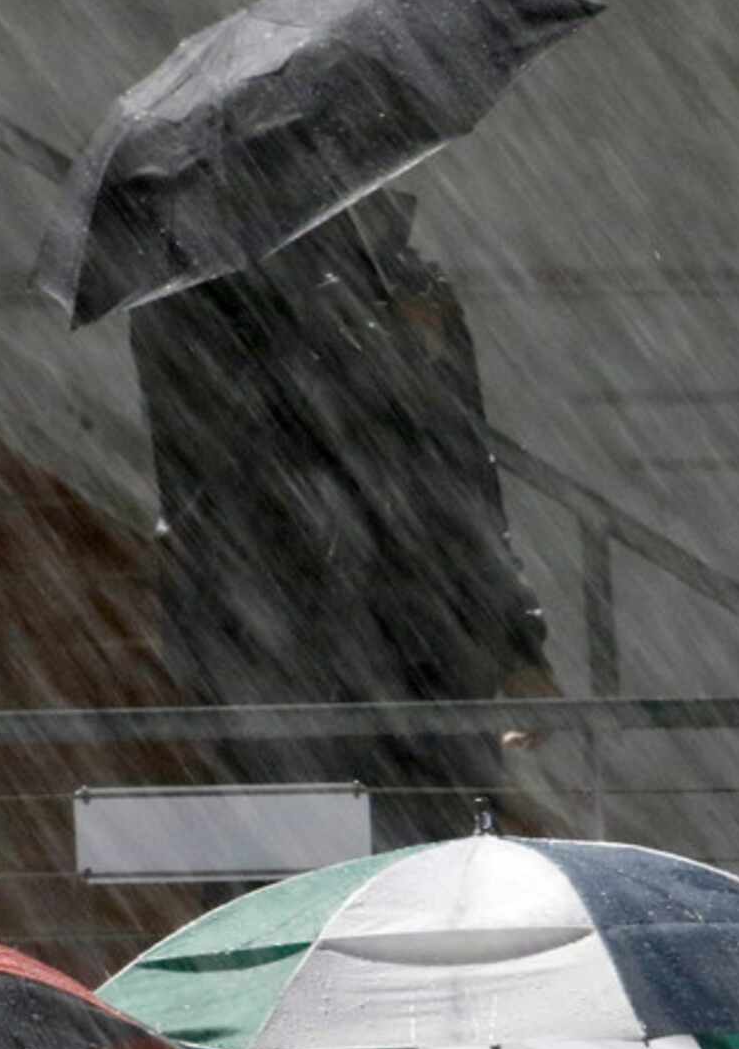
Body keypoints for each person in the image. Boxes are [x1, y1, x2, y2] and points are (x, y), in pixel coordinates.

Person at [130, 193, 562, 846]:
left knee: (436, 878)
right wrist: (361, 347)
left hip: (421, 657)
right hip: (281, 655)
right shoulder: (196, 294)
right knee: (286, 883)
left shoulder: (407, 288)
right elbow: (212, 466)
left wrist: (517, 645)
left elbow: (465, 479)